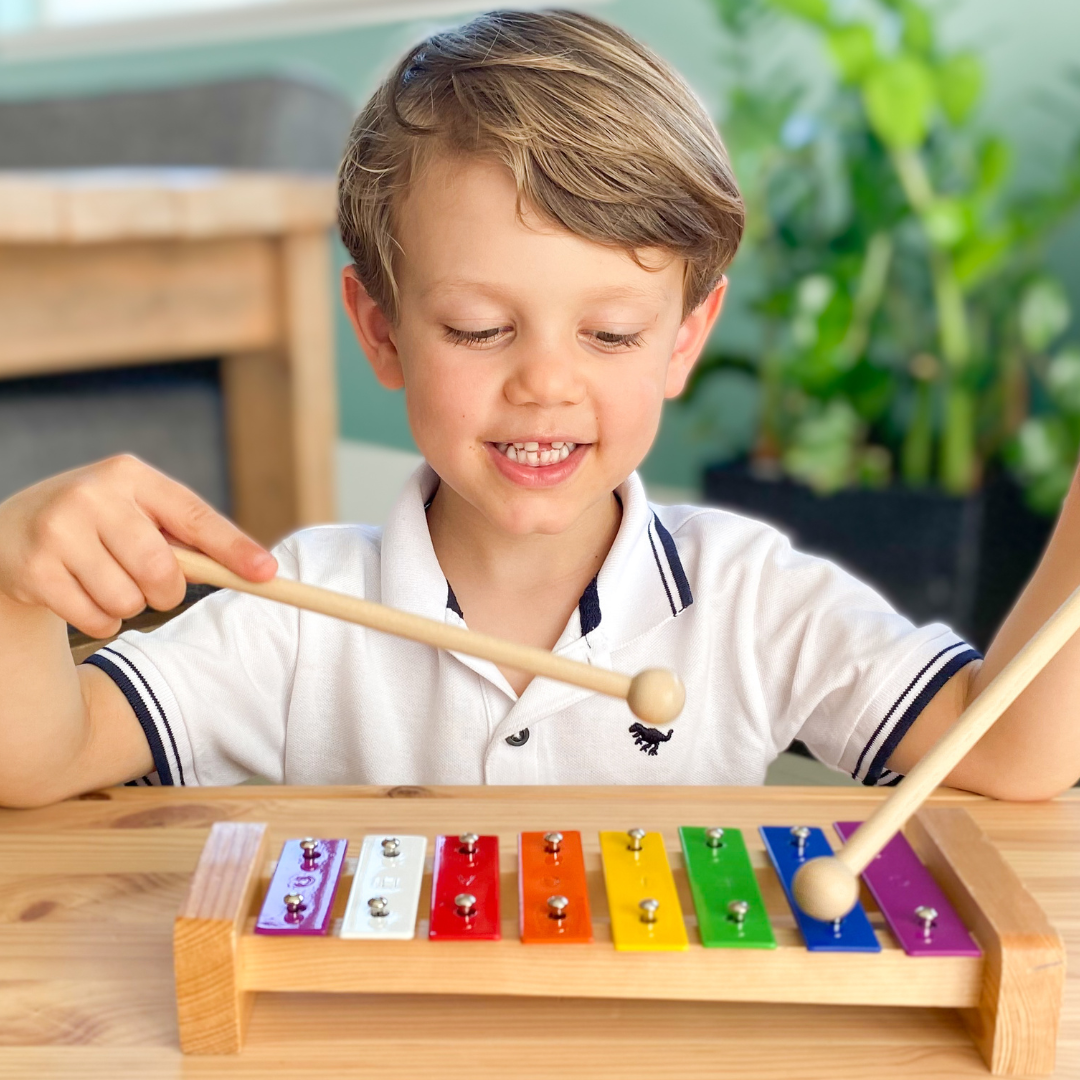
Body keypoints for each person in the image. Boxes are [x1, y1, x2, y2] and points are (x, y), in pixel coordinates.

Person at [0, 10, 1076, 809]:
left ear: (684, 340)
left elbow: (1006, 757)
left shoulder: (754, 602)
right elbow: (41, 762)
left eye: (609, 335)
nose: (546, 384)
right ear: (380, 329)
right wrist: (12, 587)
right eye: (478, 328)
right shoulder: (299, 610)